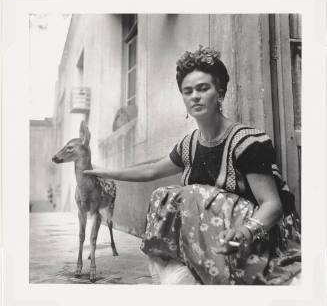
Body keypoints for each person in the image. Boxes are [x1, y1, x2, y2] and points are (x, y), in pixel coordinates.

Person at [84, 45, 301, 285]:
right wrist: (105, 171)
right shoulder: (188, 145)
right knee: (163, 196)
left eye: (203, 88)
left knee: (190, 194)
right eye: (187, 91)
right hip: (218, 237)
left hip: (260, 234)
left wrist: (244, 232)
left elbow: (273, 206)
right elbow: (151, 170)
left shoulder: (247, 142)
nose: (194, 96)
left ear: (220, 93)